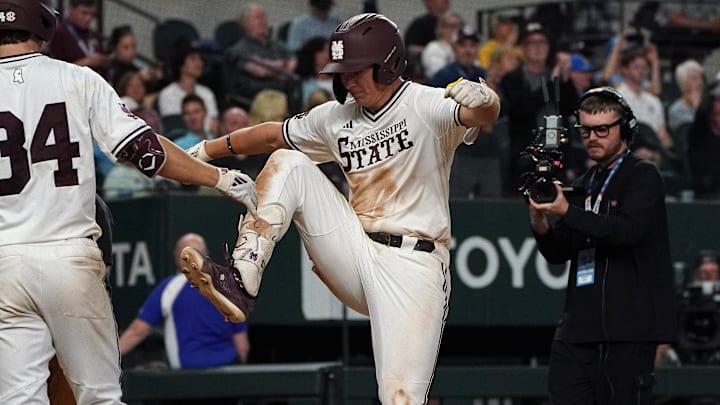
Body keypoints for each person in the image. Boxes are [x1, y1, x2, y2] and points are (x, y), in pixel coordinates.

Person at [181, 13, 500, 405]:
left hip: (414, 265)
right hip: (355, 247)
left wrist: (487, 99)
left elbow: (480, 116)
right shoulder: (335, 117)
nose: (346, 80)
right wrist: (204, 151)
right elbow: (269, 135)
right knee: (289, 162)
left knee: (400, 399)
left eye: (355, 70)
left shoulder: (425, 103)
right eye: (342, 71)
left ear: (387, 64)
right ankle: (242, 277)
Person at [0, 2, 258, 404]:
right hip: (66, 253)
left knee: (18, 399)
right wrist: (219, 177)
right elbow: (145, 150)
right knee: (100, 396)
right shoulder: (75, 77)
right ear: (43, 31)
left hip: (4, 265)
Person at [527, 86, 677, 404]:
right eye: (586, 130)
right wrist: (540, 223)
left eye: (602, 130)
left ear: (625, 129)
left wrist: (567, 211)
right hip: (578, 331)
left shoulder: (644, 176)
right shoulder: (584, 182)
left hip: (628, 331)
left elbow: (625, 233)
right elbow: (560, 251)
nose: (592, 137)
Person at [119, 233, 249, 405]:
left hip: (185, 385)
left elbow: (138, 331)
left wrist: (111, 357)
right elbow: (242, 346)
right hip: (224, 383)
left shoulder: (170, 288)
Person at [223, 3, 298, 112]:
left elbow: (293, 60)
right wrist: (282, 67)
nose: (263, 21)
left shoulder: (276, 44)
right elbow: (260, 70)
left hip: (282, 92)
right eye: (257, 18)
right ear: (245, 23)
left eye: (263, 17)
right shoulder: (240, 49)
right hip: (255, 96)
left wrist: (274, 67)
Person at [157, 41, 219, 137]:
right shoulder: (167, 94)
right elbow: (174, 128)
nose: (200, 63)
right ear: (181, 65)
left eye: (200, 59)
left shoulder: (207, 93)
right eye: (193, 59)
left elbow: (213, 126)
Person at [47, 0, 109, 75]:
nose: (88, 18)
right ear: (71, 10)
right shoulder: (59, 35)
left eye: (92, 14)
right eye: (84, 13)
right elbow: (57, 70)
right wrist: (86, 62)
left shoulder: (94, 35)